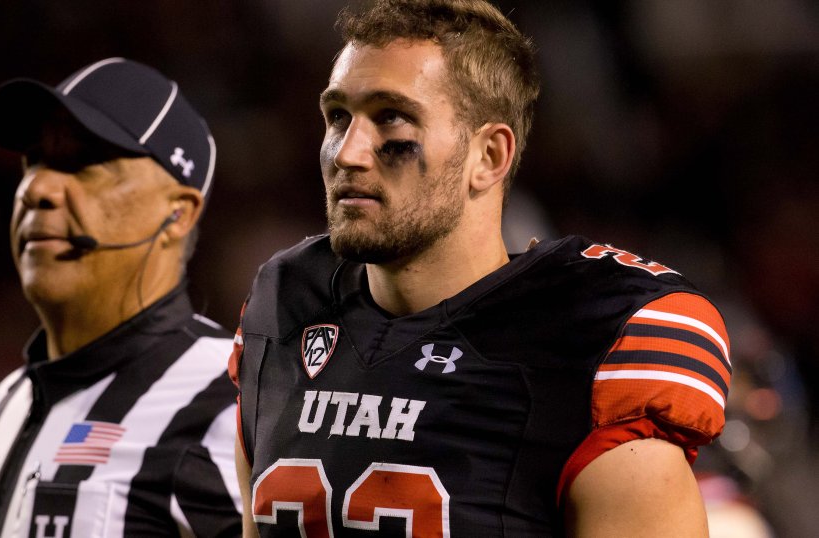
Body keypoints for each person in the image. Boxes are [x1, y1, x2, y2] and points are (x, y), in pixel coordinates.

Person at [229, 1, 731, 536]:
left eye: (390, 118)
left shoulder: (587, 337)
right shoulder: (285, 306)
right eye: (337, 117)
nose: (347, 152)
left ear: (489, 156)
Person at [0, 58, 241, 538]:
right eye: (35, 159)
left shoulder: (230, 401)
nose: (37, 188)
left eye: (85, 162)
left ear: (177, 215)